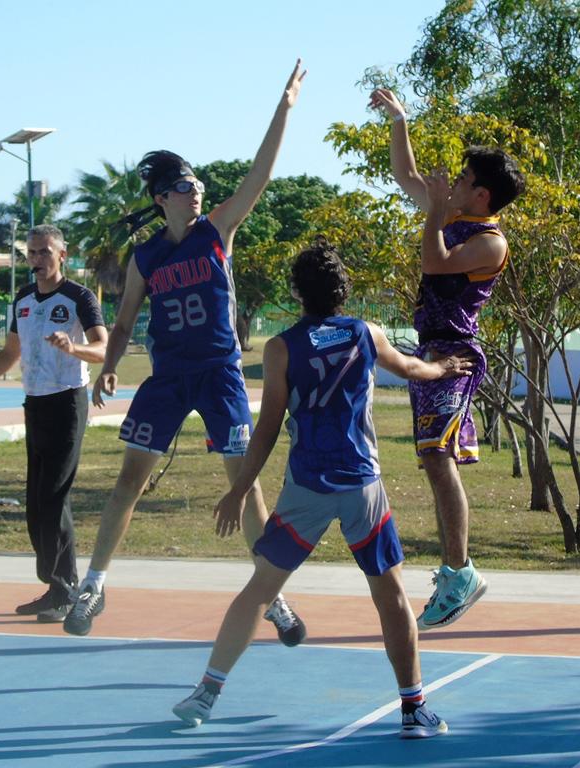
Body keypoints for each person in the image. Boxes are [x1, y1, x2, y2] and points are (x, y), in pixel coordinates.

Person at [172, 239, 475, 738]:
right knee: (391, 595)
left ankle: (206, 693)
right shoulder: (365, 332)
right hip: (362, 486)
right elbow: (413, 368)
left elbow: (267, 427)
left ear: (298, 293)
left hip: (306, 489)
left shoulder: (280, 348)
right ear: (343, 290)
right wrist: (444, 368)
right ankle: (414, 708)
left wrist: (239, 488)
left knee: (258, 593)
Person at [62, 60, 308, 643]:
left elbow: (260, 175)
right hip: (169, 377)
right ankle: (94, 584)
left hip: (220, 374)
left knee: (244, 484)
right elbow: (122, 324)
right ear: (160, 197)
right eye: (184, 186)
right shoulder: (145, 257)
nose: (196, 191)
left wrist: (285, 107)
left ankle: (272, 595)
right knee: (129, 482)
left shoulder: (216, 232)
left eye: (198, 185)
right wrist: (110, 367)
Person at [369, 88, 526, 630]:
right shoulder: (451, 213)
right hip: (431, 350)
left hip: (456, 353)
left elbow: (436, 266)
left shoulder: (490, 241)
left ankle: (460, 572)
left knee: (439, 458)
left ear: (481, 195)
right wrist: (399, 120)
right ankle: (456, 570)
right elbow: (405, 173)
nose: (451, 182)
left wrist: (435, 214)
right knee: (434, 459)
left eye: (461, 179)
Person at [0, 224, 107, 621]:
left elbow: (104, 347)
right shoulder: (23, 300)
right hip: (34, 405)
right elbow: (9, 355)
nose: (37, 260)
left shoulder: (78, 297)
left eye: (44, 252)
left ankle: (68, 591)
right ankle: (57, 588)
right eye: (31, 253)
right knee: (36, 503)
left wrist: (74, 347)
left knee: (52, 497)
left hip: (68, 402)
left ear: (62, 255)